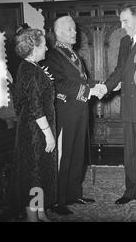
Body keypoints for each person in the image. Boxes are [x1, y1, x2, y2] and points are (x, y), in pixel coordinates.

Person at [100, 5, 136, 209]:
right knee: (132, 153)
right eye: (121, 21)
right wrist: (104, 88)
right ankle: (132, 191)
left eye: (125, 21)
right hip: (129, 106)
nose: (121, 25)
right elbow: (119, 70)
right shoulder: (125, 41)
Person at [42, 16, 103, 215]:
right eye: (70, 29)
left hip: (80, 110)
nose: (75, 32)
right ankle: (58, 200)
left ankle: (73, 193)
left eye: (74, 29)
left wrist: (100, 87)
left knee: (78, 152)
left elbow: (82, 80)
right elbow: (58, 84)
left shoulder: (74, 55)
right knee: (63, 154)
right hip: (65, 111)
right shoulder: (52, 56)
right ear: (58, 32)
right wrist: (88, 92)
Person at [11, 27, 57, 222]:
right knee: (34, 174)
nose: (46, 48)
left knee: (40, 171)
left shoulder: (30, 67)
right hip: (35, 130)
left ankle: (40, 212)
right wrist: (48, 134)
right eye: (44, 44)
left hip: (33, 127)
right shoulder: (31, 71)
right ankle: (32, 216)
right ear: (34, 48)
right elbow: (36, 107)